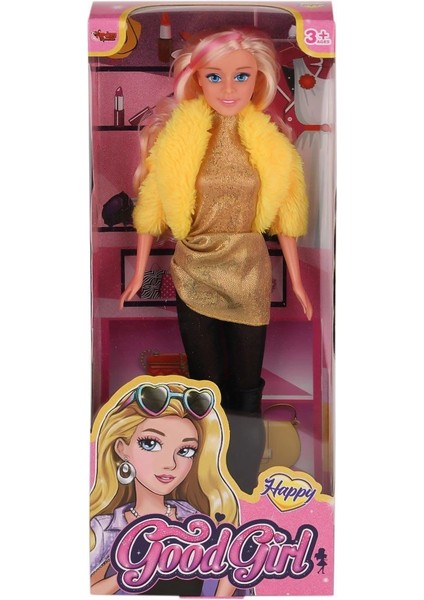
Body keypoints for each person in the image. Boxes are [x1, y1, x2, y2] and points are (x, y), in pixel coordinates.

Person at [120, 28, 312, 495]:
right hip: (195, 268)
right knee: (205, 388)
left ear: (258, 80)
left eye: (241, 76)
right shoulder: (179, 139)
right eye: (215, 76)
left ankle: (243, 486)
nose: (229, 88)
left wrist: (299, 283)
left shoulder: (269, 142)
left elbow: (288, 214)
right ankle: (207, 487)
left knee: (246, 389)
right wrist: (139, 273)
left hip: (248, 270)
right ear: (196, 79)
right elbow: (152, 208)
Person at [90, 379, 238, 596]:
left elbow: (232, 566)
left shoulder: (195, 518)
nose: (170, 463)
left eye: (186, 451)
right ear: (122, 449)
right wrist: (137, 569)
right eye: (150, 444)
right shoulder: (105, 528)